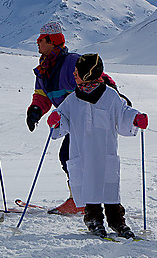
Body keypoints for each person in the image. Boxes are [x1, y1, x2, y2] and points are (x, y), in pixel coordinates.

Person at [47, 54, 148, 238]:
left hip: (105, 151)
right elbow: (62, 118)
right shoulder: (73, 99)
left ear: (88, 74)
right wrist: (57, 119)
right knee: (89, 187)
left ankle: (117, 221)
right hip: (82, 151)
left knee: (110, 188)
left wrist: (135, 118)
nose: (74, 74)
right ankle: (93, 219)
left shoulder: (110, 96)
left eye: (78, 72)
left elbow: (123, 113)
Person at [26, 21, 120, 215]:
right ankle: (82, 199)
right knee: (70, 157)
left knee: (74, 157)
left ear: (52, 41)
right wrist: (35, 110)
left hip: (90, 119)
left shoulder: (72, 63)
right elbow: (42, 96)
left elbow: (102, 79)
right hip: (72, 121)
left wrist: (115, 99)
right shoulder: (43, 70)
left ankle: (83, 200)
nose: (37, 44)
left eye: (40, 40)